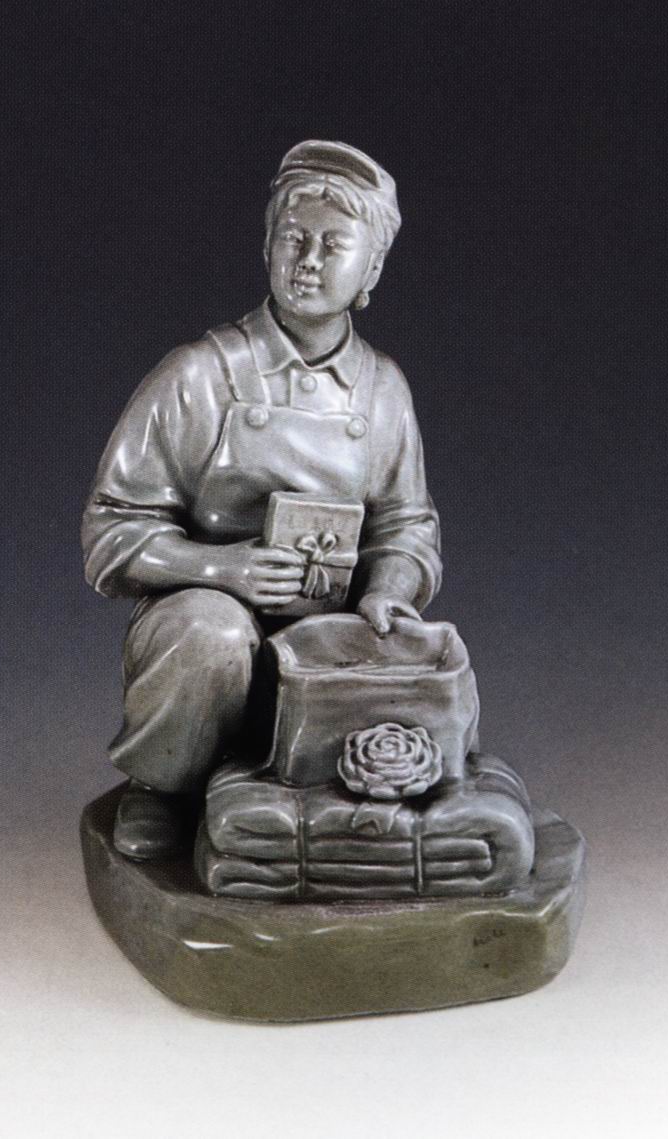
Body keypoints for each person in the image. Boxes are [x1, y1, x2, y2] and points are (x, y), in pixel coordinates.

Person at [82, 140, 442, 859]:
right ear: (267, 246)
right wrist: (224, 569)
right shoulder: (202, 375)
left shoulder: (383, 390)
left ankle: (324, 803)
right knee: (210, 635)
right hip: (204, 612)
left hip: (332, 621)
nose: (307, 260)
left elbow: (407, 526)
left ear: (371, 269)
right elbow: (110, 532)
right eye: (292, 238)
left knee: (418, 660)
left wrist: (388, 591)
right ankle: (164, 784)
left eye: (333, 245)